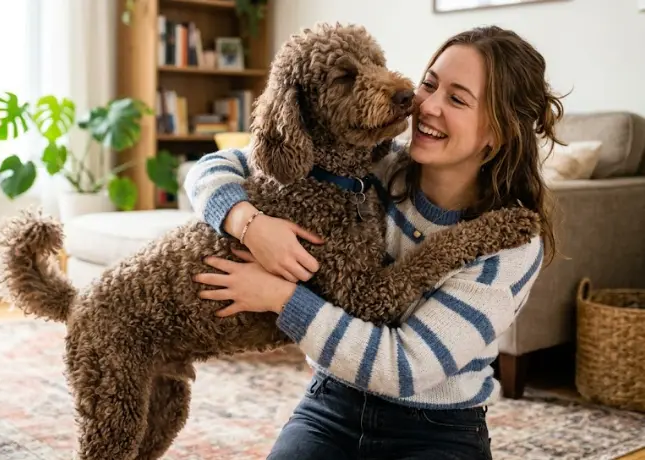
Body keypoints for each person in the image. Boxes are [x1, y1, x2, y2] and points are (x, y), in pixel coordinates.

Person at [185, 25, 561, 459]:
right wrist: (247, 222)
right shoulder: (370, 168)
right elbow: (215, 166)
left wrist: (281, 298)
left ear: (499, 131)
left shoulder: (509, 244)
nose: (427, 106)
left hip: (436, 429)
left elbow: (403, 367)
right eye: (429, 84)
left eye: (457, 99)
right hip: (332, 404)